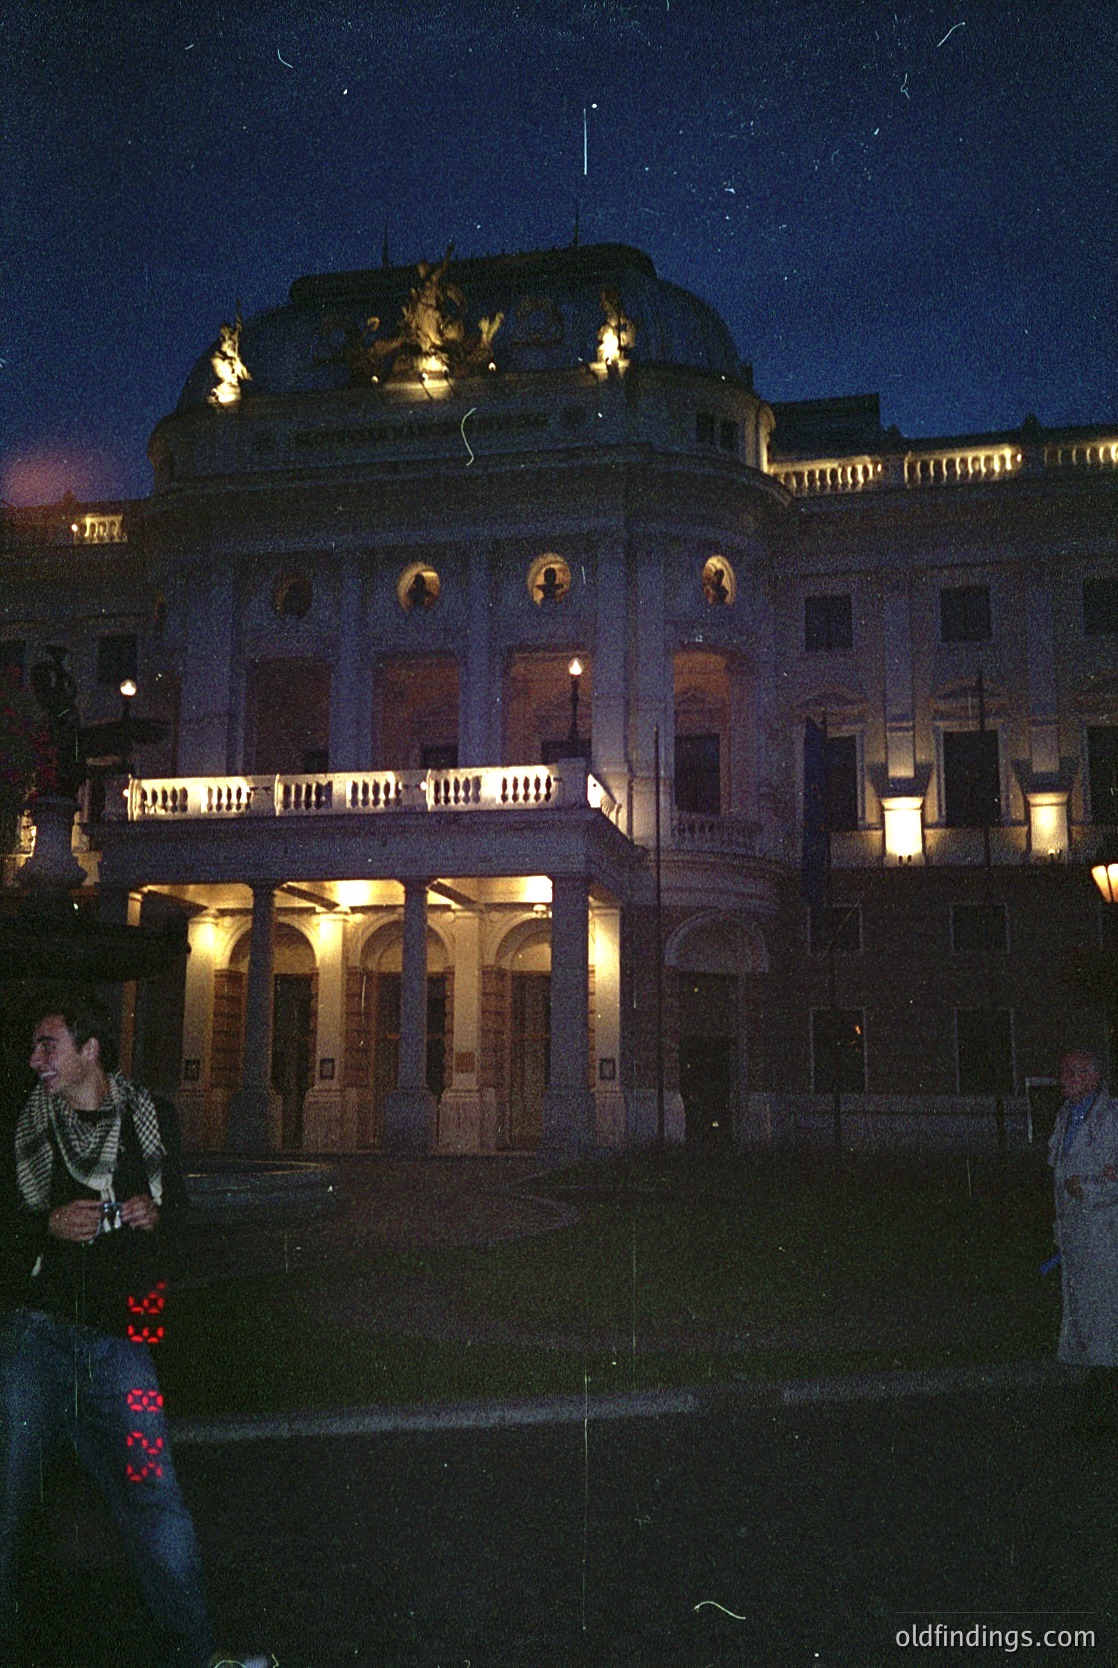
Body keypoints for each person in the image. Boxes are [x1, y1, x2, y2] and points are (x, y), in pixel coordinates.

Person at [0, 993, 259, 1667]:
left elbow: (179, 1209)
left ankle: (202, 1654)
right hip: (35, 1341)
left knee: (156, 1500)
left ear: (90, 1052)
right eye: (34, 1046)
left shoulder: (153, 1119)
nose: (36, 1061)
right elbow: (7, 1220)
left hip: (120, 1352)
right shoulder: (27, 1123)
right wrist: (45, 1225)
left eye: (47, 1045)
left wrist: (153, 1211)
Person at [1048, 1048, 1118, 1428]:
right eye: (1063, 1072)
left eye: (1074, 1072)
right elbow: (1060, 1179)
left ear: (1093, 1077)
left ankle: (1099, 1414)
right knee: (1089, 1321)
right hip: (1076, 1238)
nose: (1065, 1079)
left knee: (1104, 1321)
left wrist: (1087, 1190)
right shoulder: (1066, 1117)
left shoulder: (1110, 1118)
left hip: (1105, 1238)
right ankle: (1099, 1405)